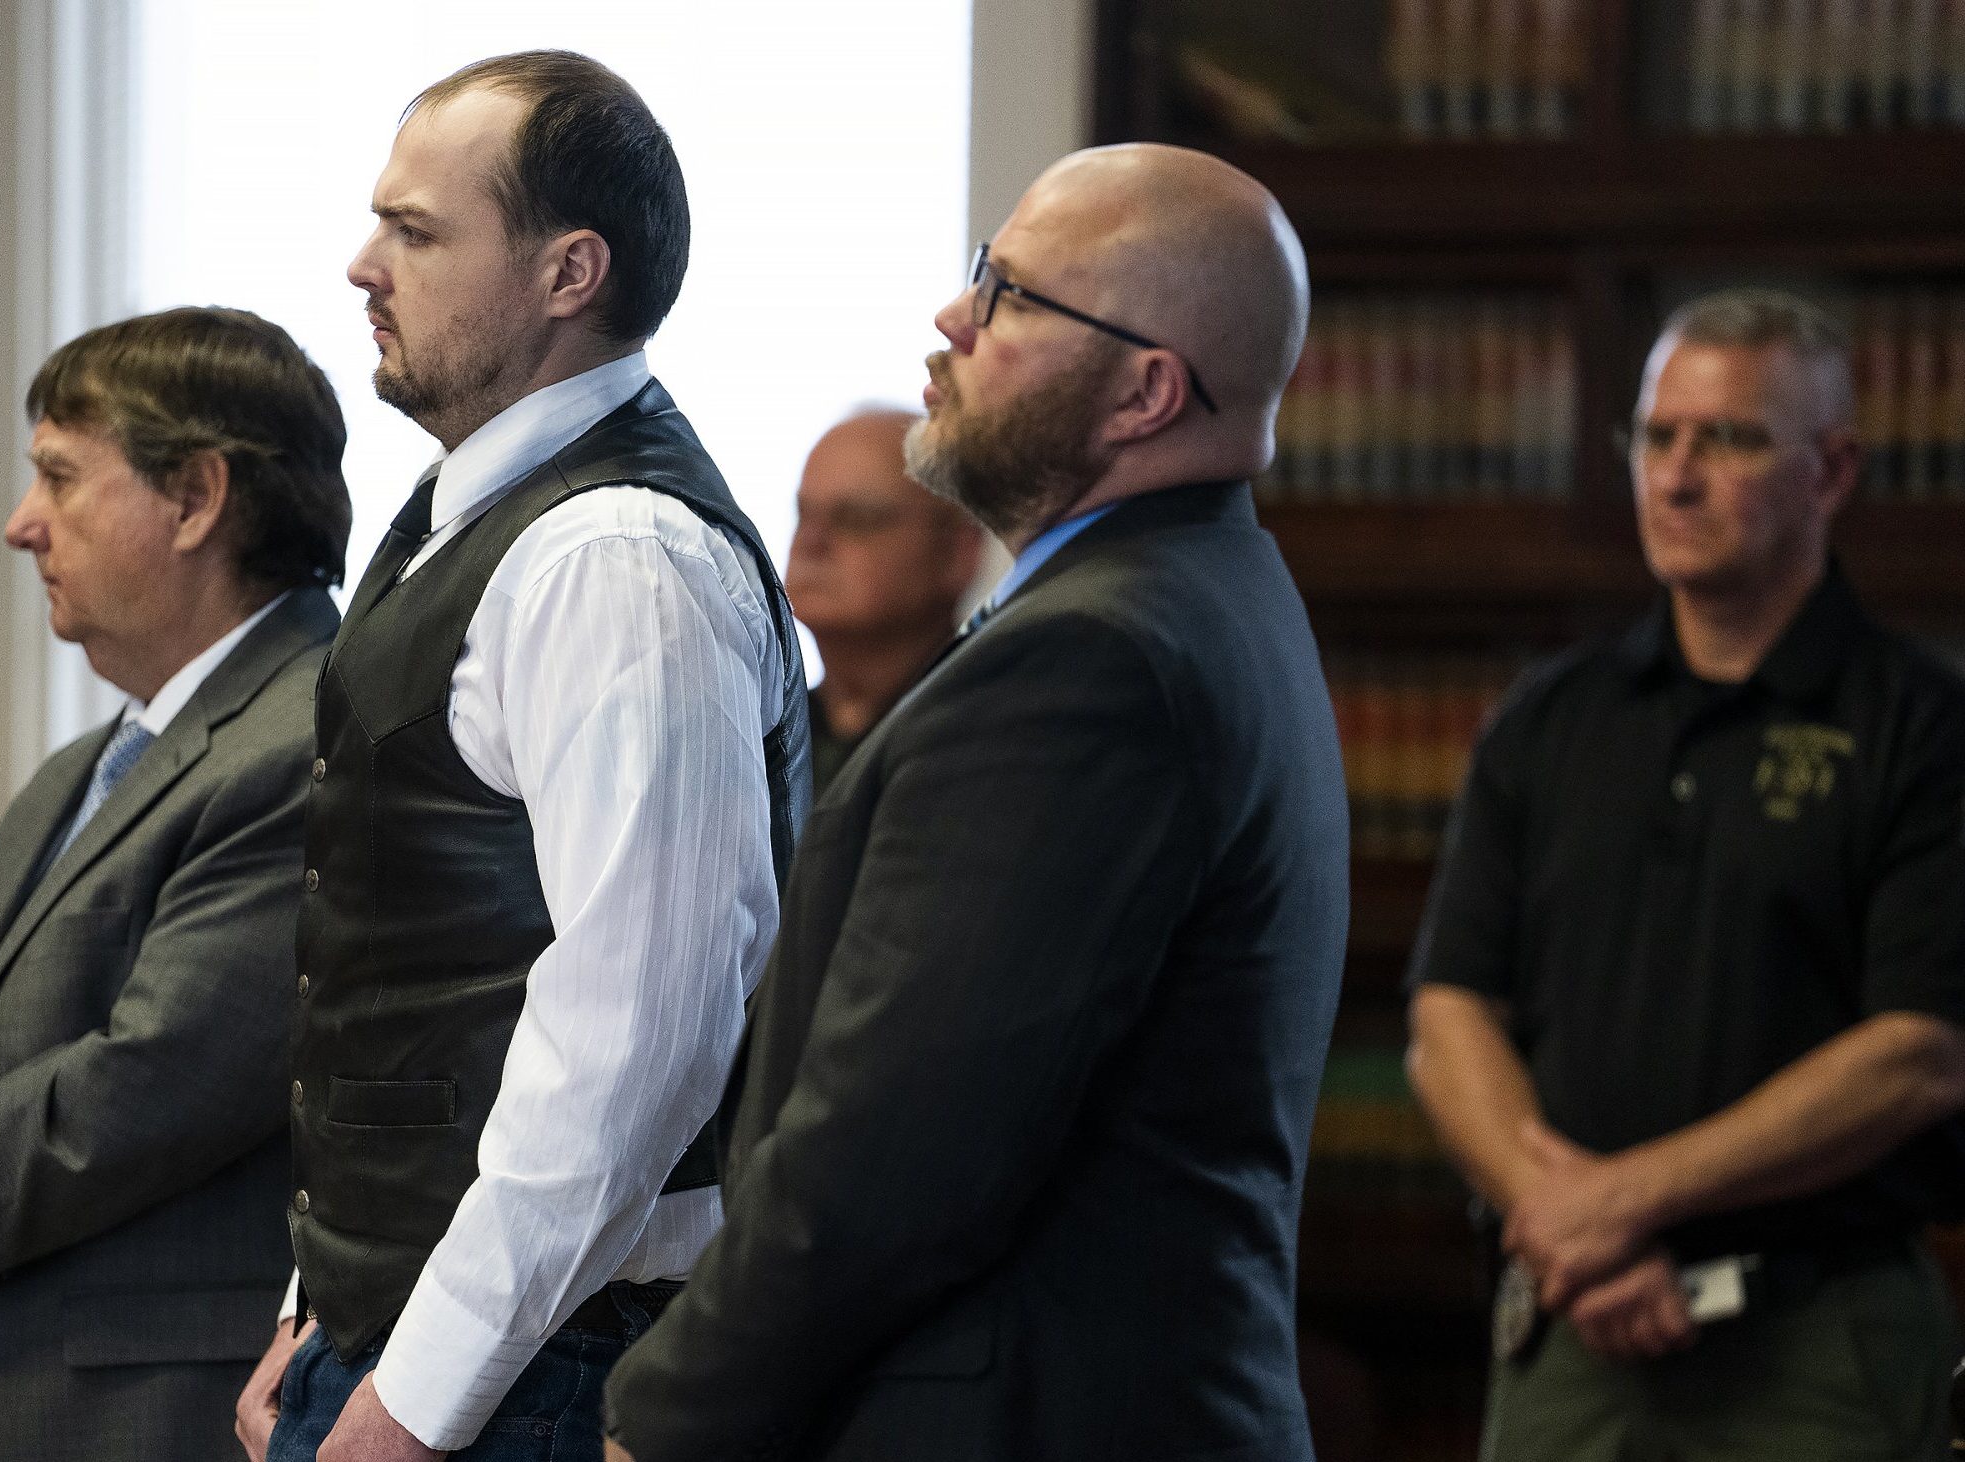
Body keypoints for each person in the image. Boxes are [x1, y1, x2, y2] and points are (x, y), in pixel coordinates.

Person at [599, 142, 1347, 1462]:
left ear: (1145, 390)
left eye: (1007, 294)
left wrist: (660, 1416)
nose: (953, 319)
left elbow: (887, 1158)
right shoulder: (1212, 592)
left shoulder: (1093, 662)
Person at [234, 51, 808, 1462]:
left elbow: (638, 1035)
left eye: (418, 231)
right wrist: (324, 1304)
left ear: (569, 271)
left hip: (542, 1372)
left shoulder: (617, 556)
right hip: (427, 1341)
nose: (363, 265)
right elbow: (412, 973)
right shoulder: (470, 511)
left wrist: (417, 1398)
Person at [0, 306, 352, 1461]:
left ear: (194, 497)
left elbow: (144, 1084)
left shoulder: (308, 738)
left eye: (57, 477)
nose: (19, 525)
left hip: (133, 1417)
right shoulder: (78, 771)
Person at [1405, 287, 1965, 1461]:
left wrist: (1623, 1200)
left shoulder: (1921, 725)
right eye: (1656, 438)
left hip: (1813, 1345)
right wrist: (1562, 1220)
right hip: (1569, 1325)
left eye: (1729, 438)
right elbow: (1447, 1015)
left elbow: (1917, 1054)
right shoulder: (1550, 716)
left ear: (1832, 469)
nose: (1675, 476)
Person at [785, 408, 987, 790]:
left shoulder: (989, 737)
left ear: (958, 552)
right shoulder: (764, 739)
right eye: (803, 513)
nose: (810, 542)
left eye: (856, 518)